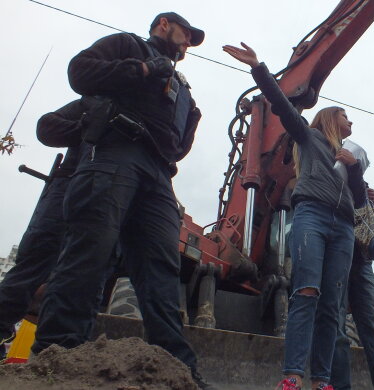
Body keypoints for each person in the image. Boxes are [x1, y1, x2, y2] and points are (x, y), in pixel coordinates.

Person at [32, 13, 211, 389]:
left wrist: (187, 119)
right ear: (164, 24)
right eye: (186, 34)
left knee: (162, 268)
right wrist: (143, 70)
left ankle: (178, 370)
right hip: (116, 153)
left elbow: (179, 144)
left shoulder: (182, 86)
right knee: (90, 250)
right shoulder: (128, 46)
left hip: (159, 173)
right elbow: (79, 72)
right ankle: (58, 359)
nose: (188, 43)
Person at [223, 43, 365, 390]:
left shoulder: (351, 156)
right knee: (306, 292)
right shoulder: (310, 138)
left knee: (333, 305)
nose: (352, 121)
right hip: (312, 217)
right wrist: (259, 67)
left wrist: (356, 170)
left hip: (344, 227)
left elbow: (359, 201)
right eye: (346, 115)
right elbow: (282, 106)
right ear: (332, 118)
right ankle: (292, 376)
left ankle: (322, 381)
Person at [0, 98, 93, 359]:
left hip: (109, 200)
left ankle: (62, 355)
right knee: (33, 265)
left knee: (85, 276)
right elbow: (48, 127)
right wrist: (89, 126)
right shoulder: (95, 99)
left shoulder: (154, 109)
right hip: (69, 187)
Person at [330, 186, 374, 390]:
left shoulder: (361, 187)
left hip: (361, 262)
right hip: (336, 258)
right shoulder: (330, 180)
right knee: (337, 325)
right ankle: (340, 385)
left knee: (373, 328)